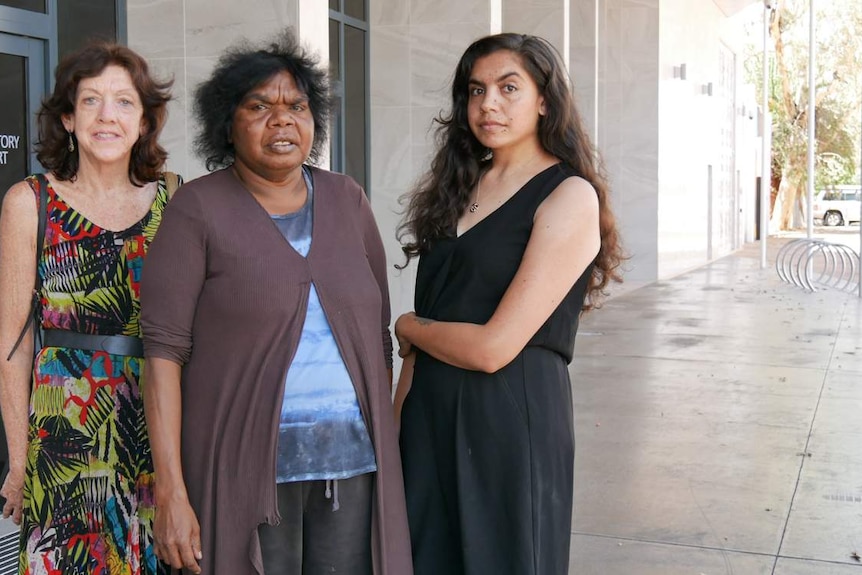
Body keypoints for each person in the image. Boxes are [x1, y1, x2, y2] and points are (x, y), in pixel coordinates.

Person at [139, 32, 412, 575]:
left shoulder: (348, 199)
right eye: (259, 106)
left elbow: (377, 336)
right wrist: (170, 490)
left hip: (352, 468)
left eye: (297, 106)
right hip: (241, 468)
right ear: (228, 123)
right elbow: (162, 355)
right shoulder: (197, 209)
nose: (282, 120)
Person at [394, 32, 624, 575]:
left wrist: (408, 324)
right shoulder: (456, 190)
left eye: (508, 87)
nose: (488, 103)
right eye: (476, 90)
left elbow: (494, 347)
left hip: (507, 422)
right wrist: (396, 424)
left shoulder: (568, 195)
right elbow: (415, 351)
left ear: (545, 99)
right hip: (430, 419)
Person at [0, 41, 175, 574]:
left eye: (124, 102)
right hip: (63, 434)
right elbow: (12, 344)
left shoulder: (176, 199)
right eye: (91, 101)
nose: (107, 117)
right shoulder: (30, 202)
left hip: (155, 423)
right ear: (69, 118)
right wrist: (18, 457)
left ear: (144, 122)